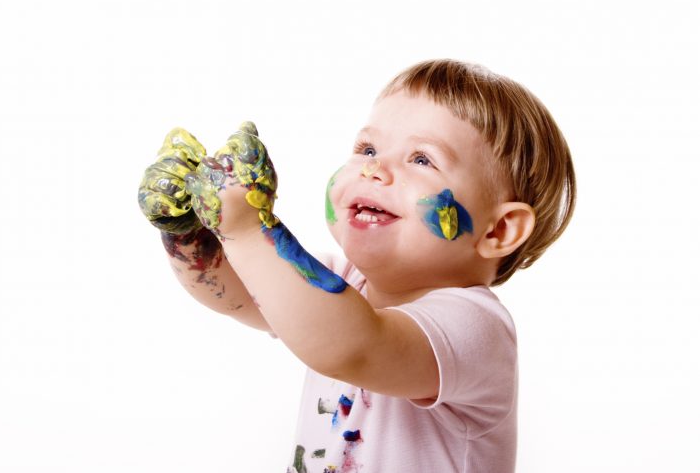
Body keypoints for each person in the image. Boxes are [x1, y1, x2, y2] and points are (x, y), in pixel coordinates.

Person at [137, 59, 576, 473]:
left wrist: (251, 230)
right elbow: (235, 294)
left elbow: (351, 345)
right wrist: (187, 230)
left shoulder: (476, 326)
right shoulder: (343, 284)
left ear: (498, 230)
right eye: (367, 148)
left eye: (421, 159)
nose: (374, 168)